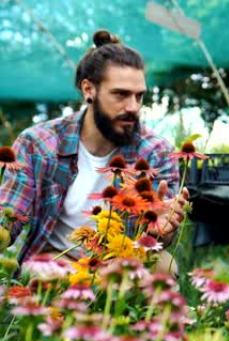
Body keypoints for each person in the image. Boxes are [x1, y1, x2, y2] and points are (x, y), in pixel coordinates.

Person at [0, 30, 188, 271]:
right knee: (42, 274)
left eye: (139, 96)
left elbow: (159, 241)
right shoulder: (38, 143)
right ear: (89, 90)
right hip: (55, 261)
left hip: (121, 262)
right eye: (120, 94)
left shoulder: (156, 151)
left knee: (165, 266)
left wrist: (160, 230)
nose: (133, 107)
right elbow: (9, 216)